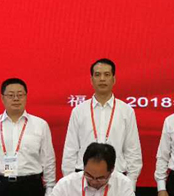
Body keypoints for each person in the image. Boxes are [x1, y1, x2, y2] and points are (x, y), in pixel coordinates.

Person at [61, 58, 142, 187]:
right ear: (91, 80)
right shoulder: (79, 111)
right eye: (97, 75)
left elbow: (133, 151)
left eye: (107, 74)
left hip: (116, 177)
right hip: (83, 177)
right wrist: (70, 183)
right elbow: (70, 150)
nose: (102, 79)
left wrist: (131, 183)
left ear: (114, 79)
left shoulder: (126, 111)